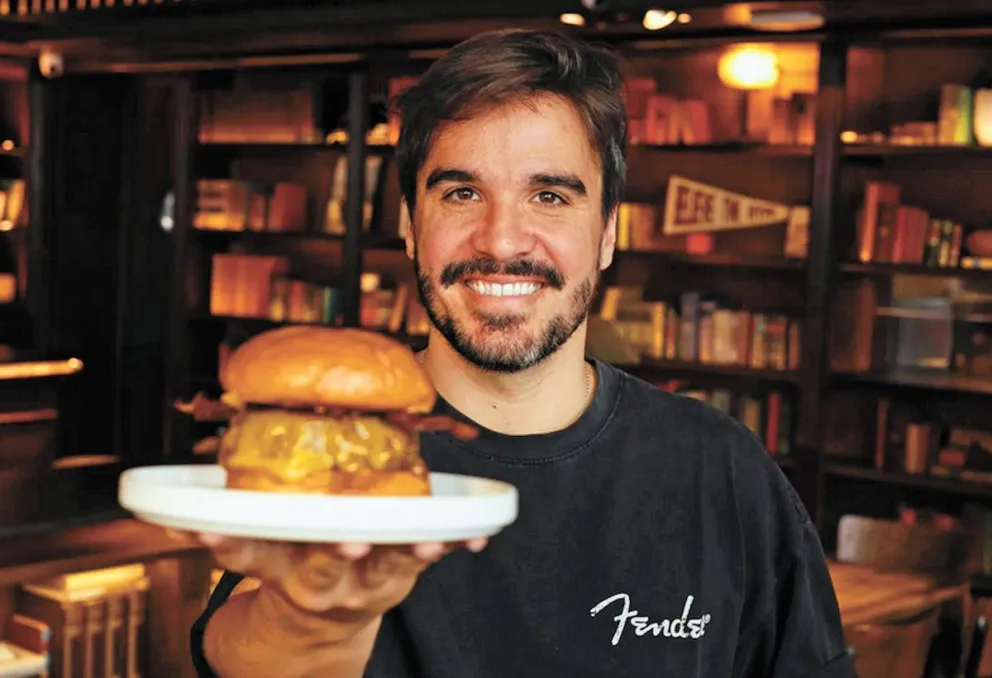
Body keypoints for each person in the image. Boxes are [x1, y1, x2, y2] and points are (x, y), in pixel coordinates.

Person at [186, 28, 856, 678]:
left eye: (549, 195)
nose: (502, 240)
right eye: (461, 192)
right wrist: (313, 622)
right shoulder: (341, 450)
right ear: (408, 228)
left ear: (607, 234)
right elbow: (251, 650)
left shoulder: (721, 466)